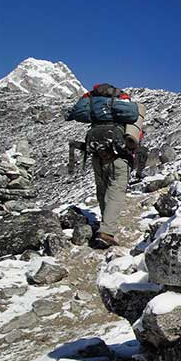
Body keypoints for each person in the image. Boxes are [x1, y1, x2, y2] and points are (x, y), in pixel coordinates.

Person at [65, 83, 144, 249]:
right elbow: (135, 130)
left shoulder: (94, 108)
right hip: (118, 156)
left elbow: (75, 111)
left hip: (96, 153)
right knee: (116, 191)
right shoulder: (123, 107)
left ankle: (105, 224)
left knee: (102, 190)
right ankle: (106, 233)